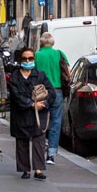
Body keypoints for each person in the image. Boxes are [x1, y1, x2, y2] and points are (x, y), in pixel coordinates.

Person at [6, 46, 54, 179]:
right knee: (22, 141)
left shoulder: (41, 75)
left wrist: (44, 104)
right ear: (20, 60)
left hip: (38, 115)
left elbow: (51, 92)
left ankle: (38, 169)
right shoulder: (14, 77)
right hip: (21, 114)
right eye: (25, 58)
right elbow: (16, 96)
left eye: (30, 58)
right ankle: (25, 169)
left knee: (39, 141)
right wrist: (31, 104)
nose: (28, 61)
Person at [34, 32, 70, 160]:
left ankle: (41, 147)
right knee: (56, 122)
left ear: (41, 43)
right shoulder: (59, 54)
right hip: (57, 91)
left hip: (42, 92)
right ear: (53, 43)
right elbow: (68, 73)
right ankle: (52, 155)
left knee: (41, 121)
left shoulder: (37, 55)